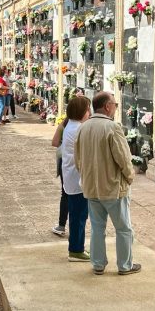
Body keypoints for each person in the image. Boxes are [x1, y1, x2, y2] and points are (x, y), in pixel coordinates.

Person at [74, 92, 141, 276]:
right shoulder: (112, 127)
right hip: (113, 188)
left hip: (91, 188)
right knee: (123, 228)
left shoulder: (83, 127)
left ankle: (98, 264)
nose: (116, 107)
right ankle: (125, 266)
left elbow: (77, 159)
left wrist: (87, 178)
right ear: (107, 106)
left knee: (97, 228)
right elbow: (123, 158)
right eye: (115, 104)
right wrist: (130, 177)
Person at [62, 96, 91, 262]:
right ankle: (75, 249)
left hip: (72, 177)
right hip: (77, 179)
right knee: (79, 216)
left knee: (77, 214)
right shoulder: (79, 129)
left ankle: (77, 245)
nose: (89, 112)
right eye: (87, 109)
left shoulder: (72, 125)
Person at [51, 116, 69, 236]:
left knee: (66, 193)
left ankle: (61, 225)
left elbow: (55, 142)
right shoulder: (86, 124)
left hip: (65, 160)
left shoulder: (66, 123)